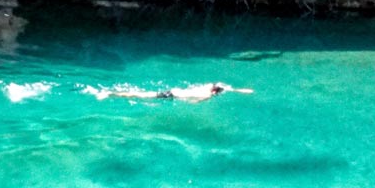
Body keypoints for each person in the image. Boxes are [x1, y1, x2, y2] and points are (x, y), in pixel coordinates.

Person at [86, 82, 253, 104]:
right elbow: (193, 102)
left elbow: (226, 86)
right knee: (138, 96)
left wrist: (241, 90)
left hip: (172, 91)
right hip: (171, 96)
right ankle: (107, 93)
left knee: (140, 93)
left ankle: (109, 92)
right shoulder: (207, 95)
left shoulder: (208, 87)